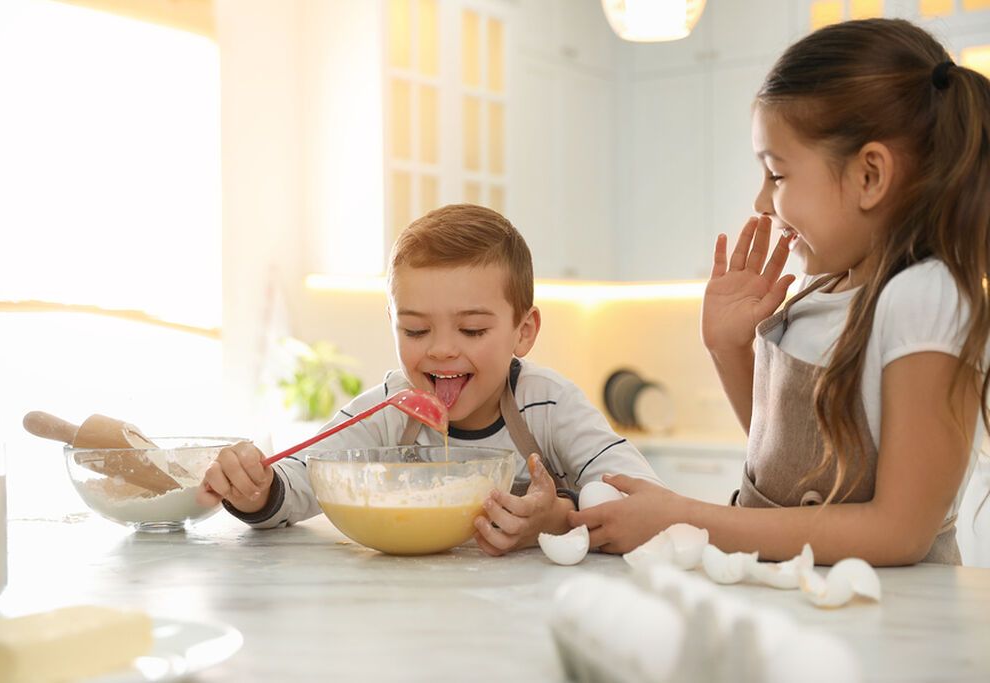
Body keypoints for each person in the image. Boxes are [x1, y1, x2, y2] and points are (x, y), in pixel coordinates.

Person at [570, 18, 990, 566]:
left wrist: (683, 518)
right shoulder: (821, 290)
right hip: (806, 595)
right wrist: (728, 348)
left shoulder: (925, 296)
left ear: (869, 176)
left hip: (885, 612)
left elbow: (899, 532)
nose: (762, 202)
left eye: (777, 174)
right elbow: (792, 465)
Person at [198, 204, 664, 555]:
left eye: (472, 330)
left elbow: (644, 501)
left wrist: (558, 516)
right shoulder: (389, 408)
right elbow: (300, 482)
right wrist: (256, 489)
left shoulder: (549, 404)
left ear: (523, 332)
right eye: (416, 331)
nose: (441, 349)